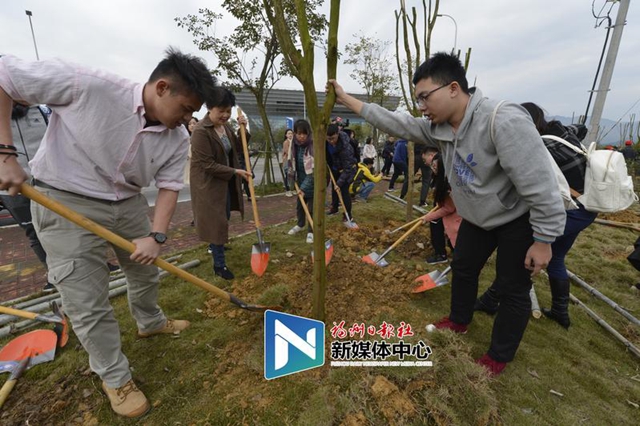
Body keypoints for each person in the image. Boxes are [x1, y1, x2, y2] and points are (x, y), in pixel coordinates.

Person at [0, 48, 217, 417]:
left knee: (145, 272)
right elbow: (4, 75)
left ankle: (150, 322)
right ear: (162, 87)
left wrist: (157, 237)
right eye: (185, 109)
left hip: (127, 203)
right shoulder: (88, 85)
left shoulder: (177, 137)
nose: (187, 119)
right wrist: (4, 153)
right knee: (86, 298)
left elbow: (168, 187)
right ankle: (115, 377)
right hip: (65, 199)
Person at [327, 52, 565, 376]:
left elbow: (541, 184)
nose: (422, 107)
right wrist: (347, 100)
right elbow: (400, 123)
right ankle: (458, 320)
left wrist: (544, 240)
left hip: (516, 220)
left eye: (425, 97)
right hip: (477, 218)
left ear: (453, 88)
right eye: (418, 100)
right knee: (463, 268)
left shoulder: (502, 119)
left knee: (513, 288)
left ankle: (498, 356)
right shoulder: (439, 128)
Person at [475, 102, 597, 329]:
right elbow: (581, 129)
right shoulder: (563, 133)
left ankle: (491, 300)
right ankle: (561, 312)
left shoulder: (543, 147)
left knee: (521, 254)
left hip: (570, 209)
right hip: (587, 208)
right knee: (557, 258)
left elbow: (533, 185)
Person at [190, 87, 251, 281]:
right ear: (209, 108)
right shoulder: (200, 131)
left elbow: (237, 148)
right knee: (216, 222)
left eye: (228, 111)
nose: (225, 115)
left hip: (223, 183)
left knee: (223, 217)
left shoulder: (225, 128)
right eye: (221, 111)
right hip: (208, 185)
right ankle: (219, 265)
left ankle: (215, 245)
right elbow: (206, 165)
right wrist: (235, 171)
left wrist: (244, 130)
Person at [0, 103, 53, 291]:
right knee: (34, 232)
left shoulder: (42, 109)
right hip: (12, 187)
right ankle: (54, 275)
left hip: (50, 179)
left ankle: (96, 265)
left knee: (72, 225)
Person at [420, 153, 462, 259]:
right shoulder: (440, 178)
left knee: (458, 242)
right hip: (449, 210)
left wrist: (427, 217)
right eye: (432, 165)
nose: (433, 168)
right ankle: (442, 253)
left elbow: (449, 208)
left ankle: (444, 254)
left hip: (457, 216)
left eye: (435, 166)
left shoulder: (449, 184)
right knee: (435, 223)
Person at [286, 119, 315, 243]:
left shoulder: (313, 145)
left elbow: (314, 171)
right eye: (299, 133)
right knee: (300, 206)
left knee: (312, 208)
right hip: (301, 179)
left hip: (313, 180)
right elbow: (290, 161)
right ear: (295, 133)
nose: (301, 136)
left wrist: (303, 188)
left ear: (308, 133)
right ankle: (300, 224)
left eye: (304, 133)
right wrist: (292, 176)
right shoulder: (294, 144)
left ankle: (311, 231)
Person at [326, 123, 358, 227]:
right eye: (328, 139)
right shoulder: (326, 142)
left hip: (347, 170)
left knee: (343, 191)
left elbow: (348, 168)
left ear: (338, 134)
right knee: (334, 189)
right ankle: (334, 208)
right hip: (335, 168)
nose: (331, 141)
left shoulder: (345, 147)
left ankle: (348, 215)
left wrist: (339, 183)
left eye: (333, 138)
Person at [281, 128, 294, 197]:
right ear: (286, 135)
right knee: (287, 175)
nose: (290, 135)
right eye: (288, 133)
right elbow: (286, 151)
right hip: (287, 160)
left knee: (293, 175)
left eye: (291, 133)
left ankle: (293, 189)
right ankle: (287, 190)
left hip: (293, 161)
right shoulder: (286, 142)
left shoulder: (294, 142)